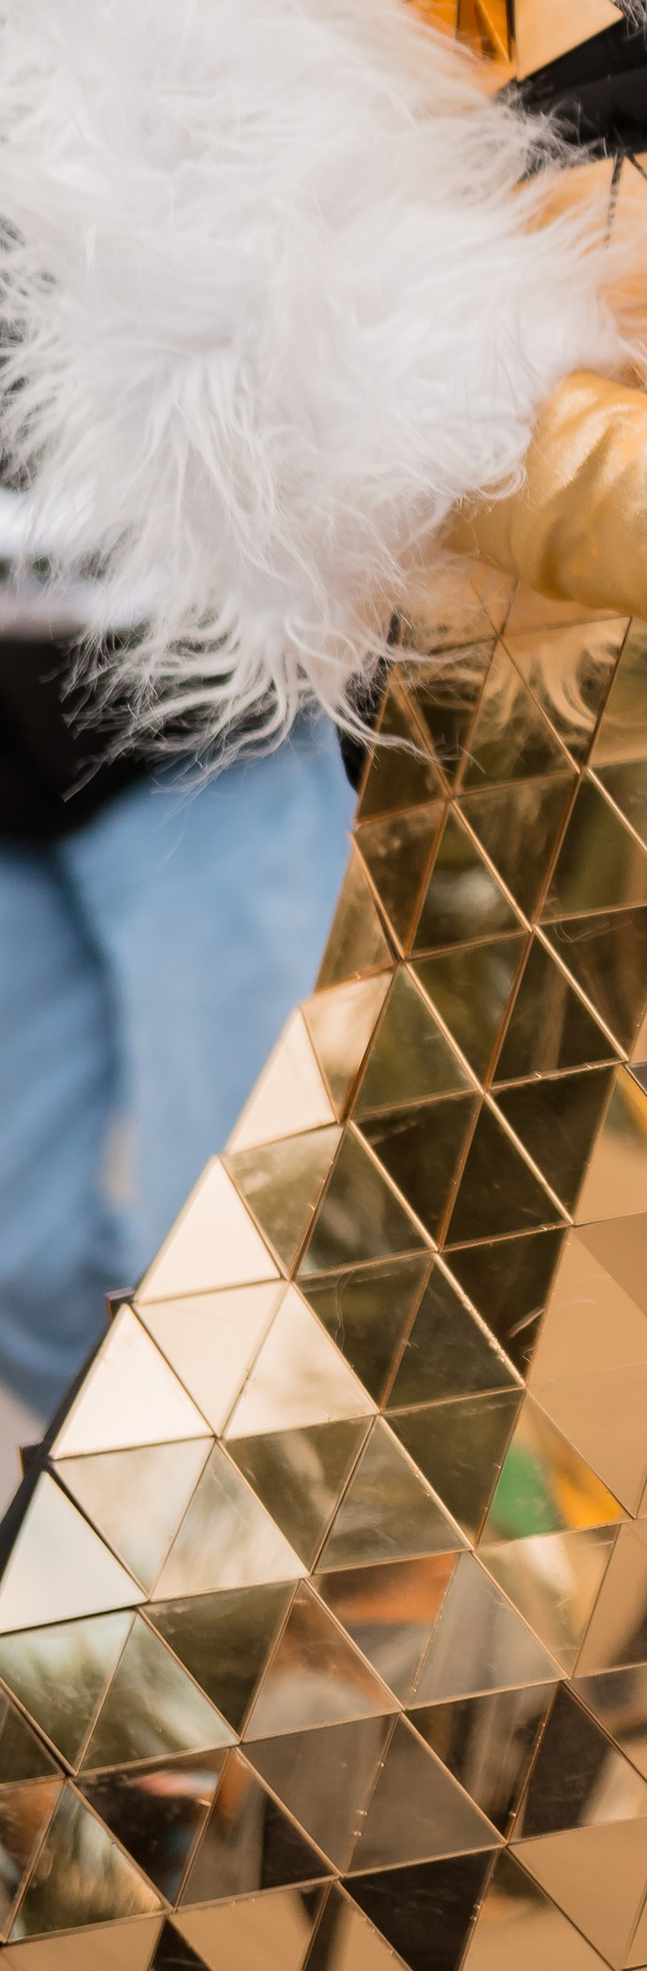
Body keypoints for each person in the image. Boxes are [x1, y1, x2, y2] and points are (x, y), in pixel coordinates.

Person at [0, 489, 354, 1451]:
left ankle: (275, 1491)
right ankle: (164, 1492)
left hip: (209, 723)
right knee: (19, 1263)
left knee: (240, 1252)